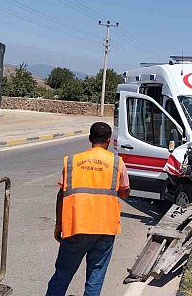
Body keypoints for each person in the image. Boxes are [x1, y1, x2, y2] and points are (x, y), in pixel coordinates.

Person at [46, 122, 130, 296]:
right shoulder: (117, 162)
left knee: (62, 275)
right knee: (95, 276)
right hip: (105, 228)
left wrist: (58, 225)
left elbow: (61, 195)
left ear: (90, 138)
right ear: (109, 140)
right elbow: (124, 193)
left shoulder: (72, 161)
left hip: (76, 226)